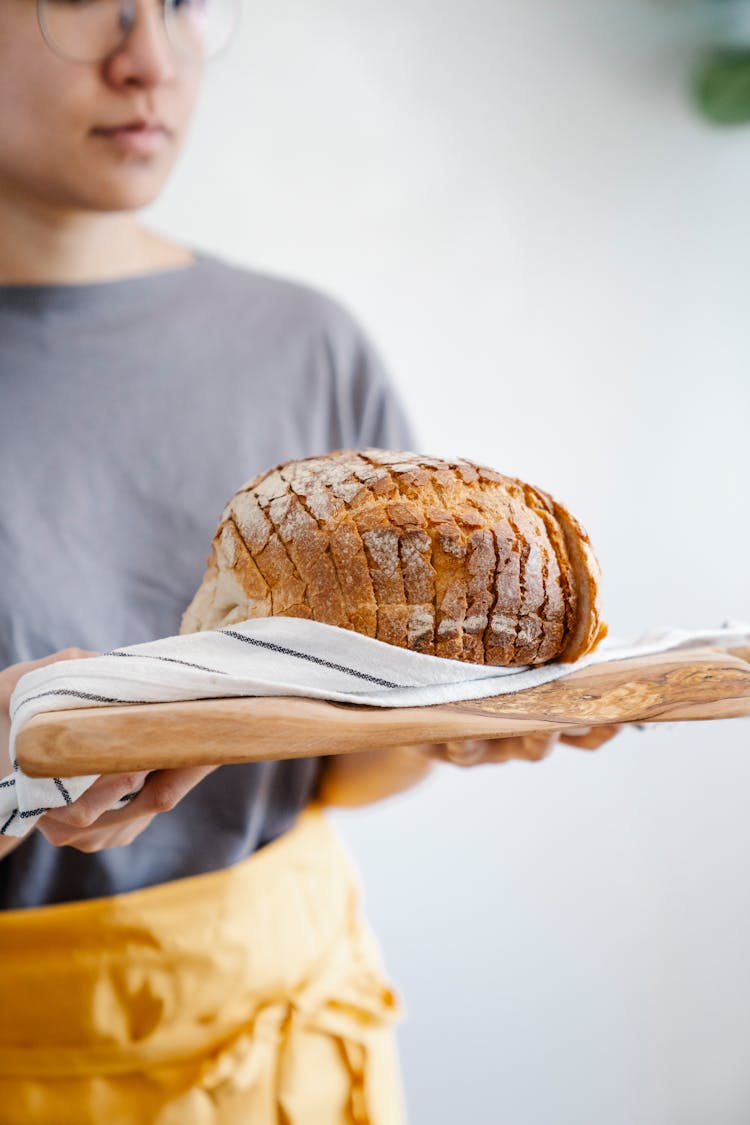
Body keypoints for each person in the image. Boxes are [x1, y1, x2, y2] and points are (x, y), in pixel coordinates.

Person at [0, 1, 623, 1120]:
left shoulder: (304, 343)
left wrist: (450, 723)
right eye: (84, 1)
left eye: (184, 4)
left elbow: (347, 768)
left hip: (288, 1041)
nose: (150, 58)